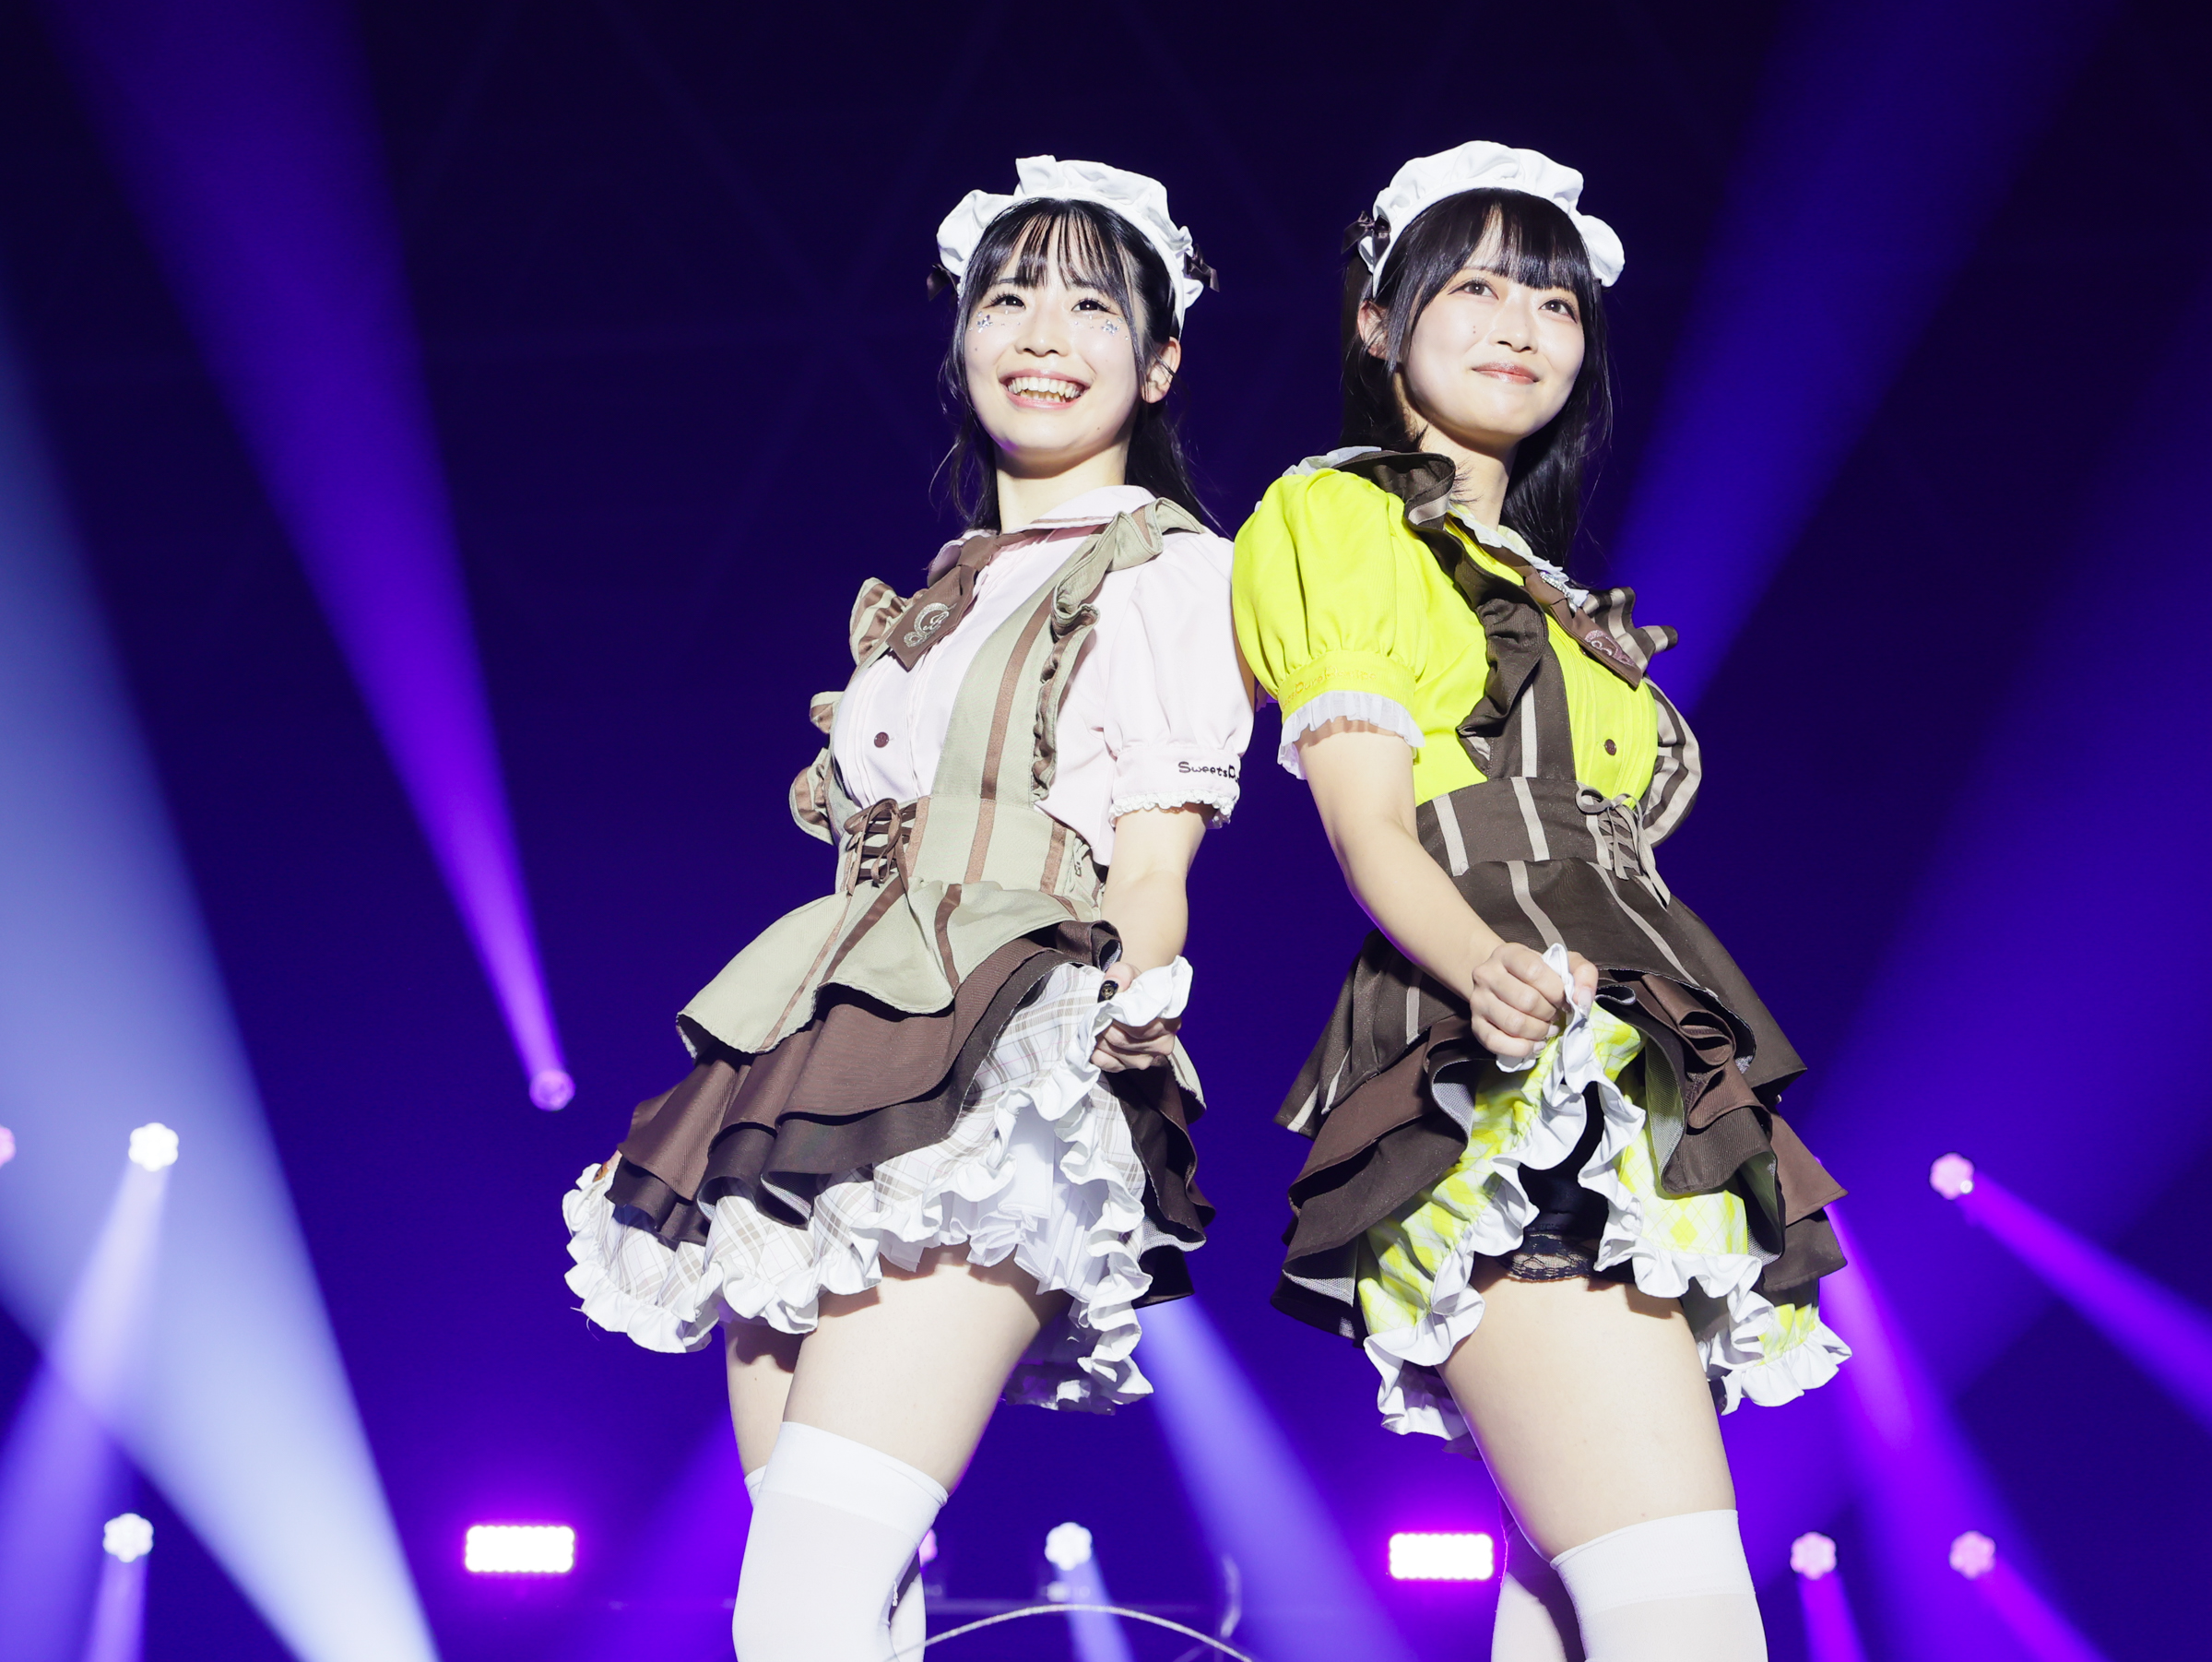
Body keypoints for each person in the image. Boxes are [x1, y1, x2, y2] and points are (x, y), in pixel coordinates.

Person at [563, 158, 1251, 1662]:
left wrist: (1127, 1005)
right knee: (832, 1613)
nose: (1042, 334)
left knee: (806, 1595)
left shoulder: (1170, 572)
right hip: (829, 1044)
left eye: (1091, 307)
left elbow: (1152, 859)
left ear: (1159, 360)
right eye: (1009, 299)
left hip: (997, 1055)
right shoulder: (940, 594)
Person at [1231, 143, 1851, 1661]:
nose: (1521, 323)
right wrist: (1483, 964)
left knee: (1575, 1607)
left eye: (1555, 302)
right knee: (1677, 1607)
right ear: (1378, 320)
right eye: (1476, 286)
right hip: (1501, 1054)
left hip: (1625, 1046)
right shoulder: (1348, 515)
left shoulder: (1553, 592)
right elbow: (1370, 823)